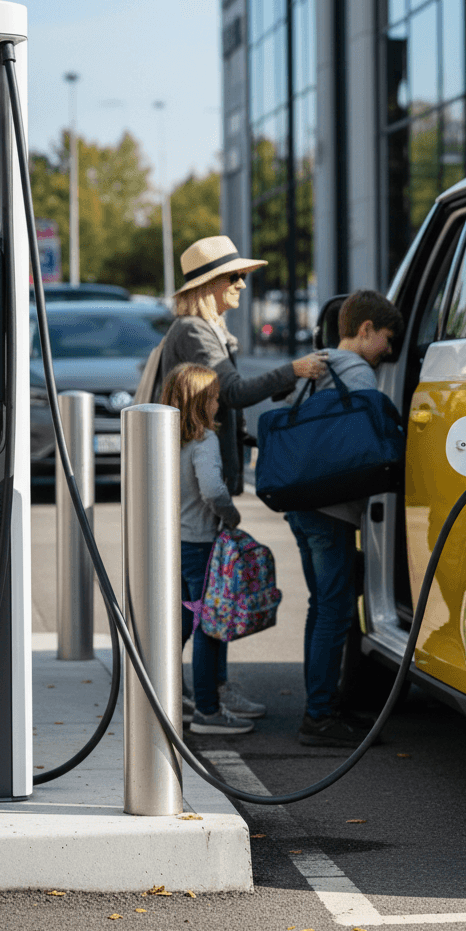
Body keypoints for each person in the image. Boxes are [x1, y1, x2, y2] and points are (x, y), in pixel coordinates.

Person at [160, 235, 329, 721]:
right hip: (200, 504)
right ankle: (193, 693)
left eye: (242, 276)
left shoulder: (210, 330)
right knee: (206, 605)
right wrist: (292, 370)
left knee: (204, 602)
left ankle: (198, 688)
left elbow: (221, 409)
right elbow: (228, 392)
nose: (241, 284)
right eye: (233, 276)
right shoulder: (195, 331)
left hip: (196, 500)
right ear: (208, 284)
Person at [285, 289, 404, 747]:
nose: (389, 352)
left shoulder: (317, 364)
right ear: (366, 330)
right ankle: (318, 716)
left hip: (303, 503)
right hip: (331, 509)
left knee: (322, 608)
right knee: (334, 611)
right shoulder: (355, 371)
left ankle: (325, 705)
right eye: (386, 340)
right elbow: (365, 432)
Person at [161, 363, 252, 735]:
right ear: (200, 402)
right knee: (209, 626)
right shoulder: (204, 440)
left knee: (182, 622)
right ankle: (208, 711)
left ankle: (168, 696)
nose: (218, 405)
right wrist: (231, 518)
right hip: (200, 542)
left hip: (172, 541)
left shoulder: (165, 438)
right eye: (214, 398)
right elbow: (213, 489)